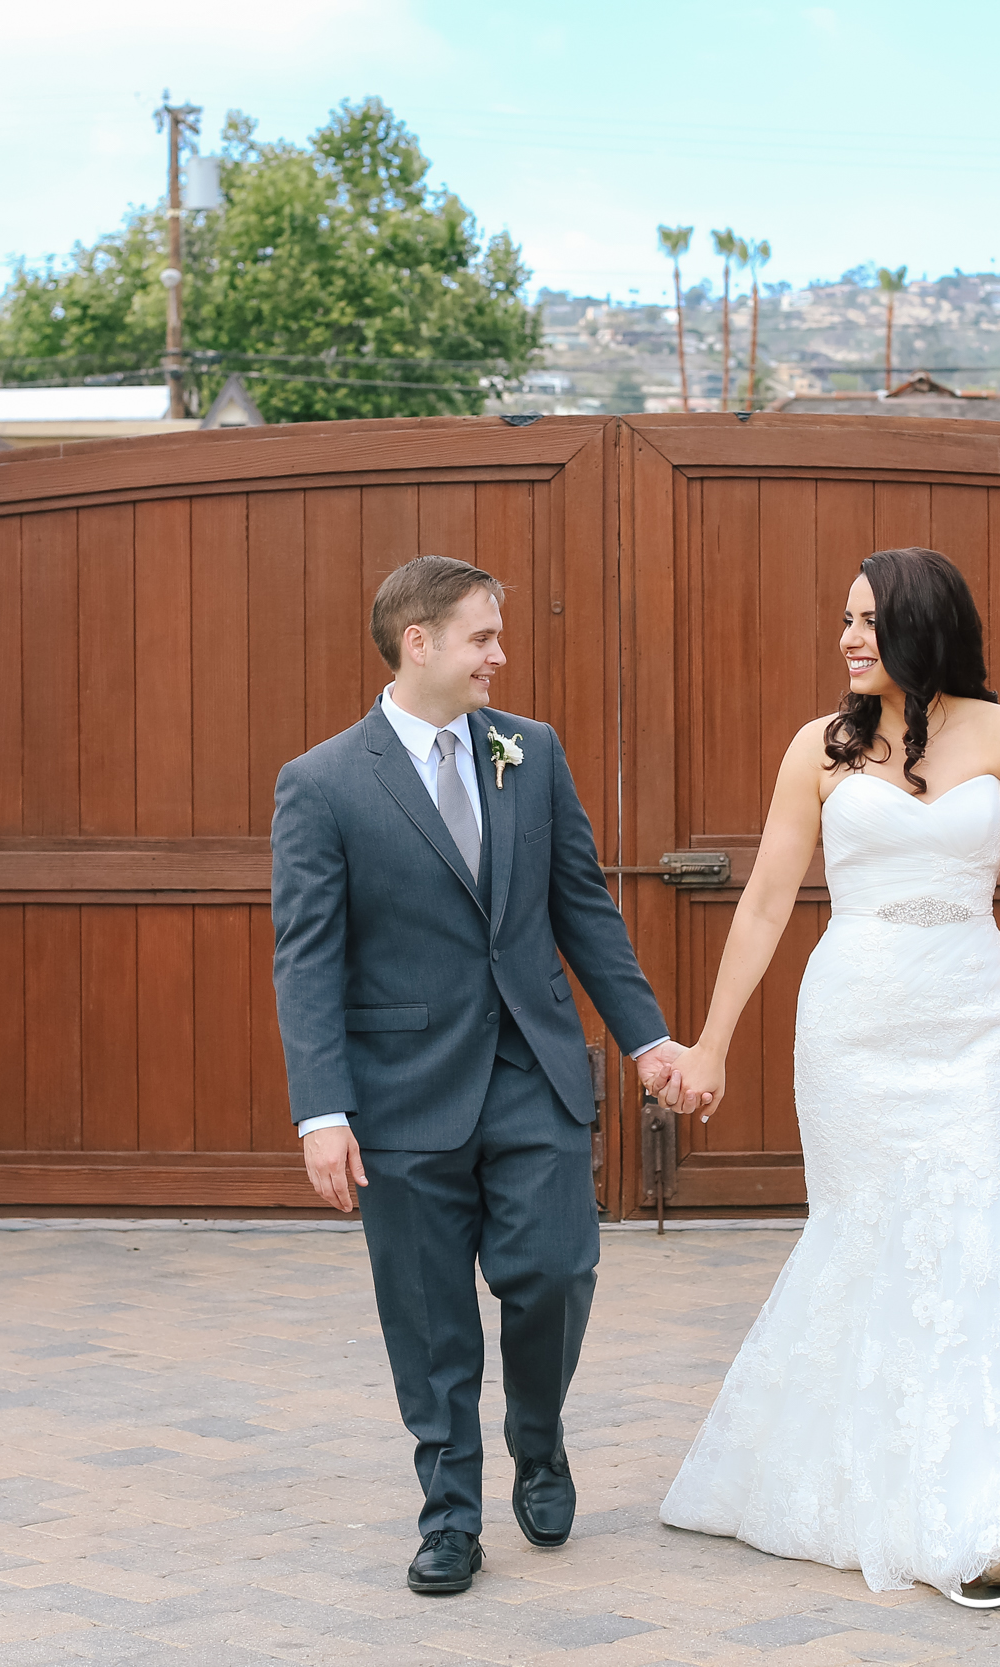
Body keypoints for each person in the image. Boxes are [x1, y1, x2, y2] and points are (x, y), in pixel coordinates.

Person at [655, 546, 1000, 1602]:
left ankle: (996, 1505)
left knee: (978, 1234)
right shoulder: (817, 749)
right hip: (855, 1027)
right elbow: (767, 899)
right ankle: (868, 1484)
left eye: (866, 619)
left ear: (922, 624)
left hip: (975, 1023)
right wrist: (713, 1040)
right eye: (844, 619)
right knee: (866, 1236)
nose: (847, 637)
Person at [270, 555, 689, 1596]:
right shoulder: (320, 782)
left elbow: (582, 906)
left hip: (531, 1068)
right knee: (428, 1315)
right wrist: (321, 1110)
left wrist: (647, 1040)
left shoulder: (528, 752)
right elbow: (306, 956)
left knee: (554, 1268)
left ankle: (537, 1437)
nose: (500, 656)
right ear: (420, 643)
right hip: (400, 1089)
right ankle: (450, 1513)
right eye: (483, 638)